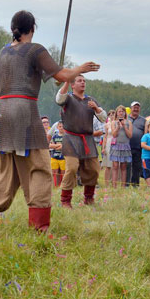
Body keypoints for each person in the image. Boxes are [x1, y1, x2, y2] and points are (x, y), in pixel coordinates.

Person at [0, 10, 98, 230]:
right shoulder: (35, 49)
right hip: (24, 111)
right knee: (40, 167)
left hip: (3, 110)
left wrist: (5, 107)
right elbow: (62, 76)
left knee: (5, 167)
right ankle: (39, 226)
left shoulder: (3, 52)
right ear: (32, 28)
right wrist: (80, 69)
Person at [56, 74, 107, 208]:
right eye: (79, 81)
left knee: (94, 169)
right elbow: (59, 99)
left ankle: (89, 199)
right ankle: (65, 201)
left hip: (88, 139)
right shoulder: (68, 98)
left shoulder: (90, 100)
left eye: (84, 81)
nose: (83, 83)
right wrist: (66, 81)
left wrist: (96, 108)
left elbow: (103, 118)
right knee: (72, 168)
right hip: (71, 139)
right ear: (73, 85)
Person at [110, 105, 133, 188]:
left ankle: (123, 186)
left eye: (122, 111)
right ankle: (114, 186)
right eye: (119, 111)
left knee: (123, 166)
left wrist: (124, 126)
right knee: (115, 166)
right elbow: (114, 135)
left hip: (125, 146)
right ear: (117, 113)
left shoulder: (129, 122)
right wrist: (118, 128)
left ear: (125, 113)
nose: (121, 113)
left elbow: (130, 135)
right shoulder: (113, 122)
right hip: (116, 146)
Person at [127, 102, 146, 187]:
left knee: (137, 166)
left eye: (137, 108)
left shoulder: (143, 120)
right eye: (134, 107)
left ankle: (135, 184)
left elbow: (145, 134)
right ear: (131, 108)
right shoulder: (126, 119)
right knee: (127, 165)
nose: (136, 109)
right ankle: (126, 183)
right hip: (126, 146)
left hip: (138, 147)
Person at [101, 109, 115, 185]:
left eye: (113, 114)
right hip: (109, 143)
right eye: (110, 114)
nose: (112, 116)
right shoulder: (106, 125)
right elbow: (105, 137)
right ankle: (106, 182)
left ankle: (114, 181)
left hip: (116, 143)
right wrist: (103, 147)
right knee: (108, 164)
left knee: (115, 164)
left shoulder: (117, 123)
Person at [49, 121, 65, 186]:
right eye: (60, 126)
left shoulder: (66, 136)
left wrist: (57, 146)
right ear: (57, 127)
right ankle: (55, 185)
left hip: (63, 157)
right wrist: (58, 146)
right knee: (54, 172)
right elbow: (50, 145)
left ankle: (64, 185)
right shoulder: (55, 136)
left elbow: (67, 145)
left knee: (63, 172)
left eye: (63, 127)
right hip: (54, 156)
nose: (61, 128)